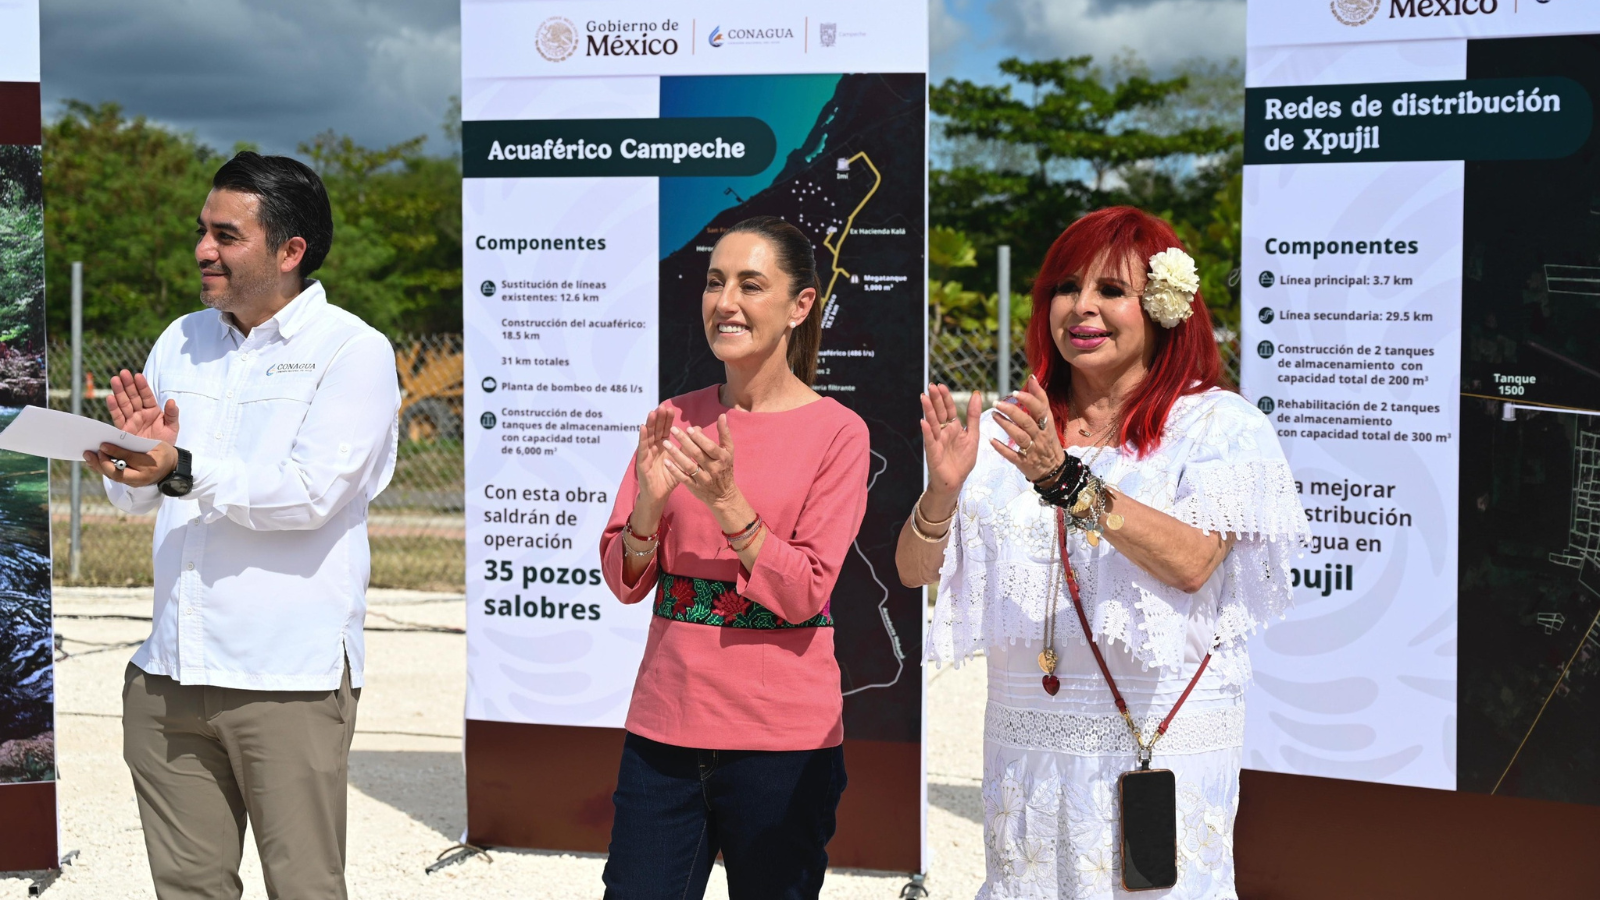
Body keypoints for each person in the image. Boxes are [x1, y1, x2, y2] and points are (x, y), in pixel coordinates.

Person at [897, 206, 1309, 898]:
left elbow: (1193, 562)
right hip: (1027, 744)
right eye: (1065, 288)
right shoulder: (1010, 427)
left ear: (1161, 307)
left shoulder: (1217, 425)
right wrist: (940, 493)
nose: (1082, 309)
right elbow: (914, 571)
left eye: (1111, 292)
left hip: (1155, 742)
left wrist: (1067, 481)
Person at [83, 151, 400, 900]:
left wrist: (179, 467)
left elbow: (311, 493)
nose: (202, 250)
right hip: (167, 676)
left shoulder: (352, 351)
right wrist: (126, 467)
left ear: (291, 251)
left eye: (226, 236)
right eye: (202, 230)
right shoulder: (181, 339)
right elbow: (142, 501)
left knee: (304, 889)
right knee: (188, 889)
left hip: (284, 679)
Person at [597, 216, 869, 900]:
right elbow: (624, 581)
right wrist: (651, 507)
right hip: (665, 725)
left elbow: (807, 592)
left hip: (782, 740)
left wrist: (729, 507)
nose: (727, 302)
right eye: (716, 282)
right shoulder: (675, 419)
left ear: (800, 306)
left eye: (751, 285)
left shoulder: (839, 433)